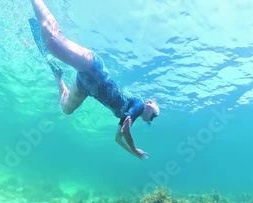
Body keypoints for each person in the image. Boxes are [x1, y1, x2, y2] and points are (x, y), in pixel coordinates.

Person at [29, 0, 159, 160]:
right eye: (153, 116)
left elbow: (117, 139)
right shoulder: (138, 105)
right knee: (54, 42)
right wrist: (134, 149)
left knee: (66, 109)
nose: (150, 119)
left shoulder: (128, 115)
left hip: (87, 87)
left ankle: (58, 75)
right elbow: (125, 131)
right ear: (150, 104)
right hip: (95, 70)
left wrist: (133, 152)